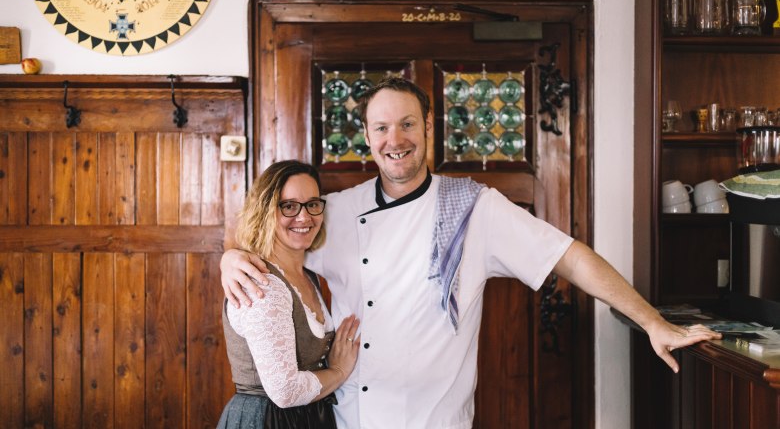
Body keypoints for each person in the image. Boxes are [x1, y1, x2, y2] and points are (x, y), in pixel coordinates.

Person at [220, 78, 721, 428]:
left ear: (428, 127)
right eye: (381, 128)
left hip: (435, 420)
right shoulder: (334, 211)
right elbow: (268, 232)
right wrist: (230, 255)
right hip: (348, 417)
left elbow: (568, 256)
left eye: (408, 125)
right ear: (368, 137)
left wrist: (652, 321)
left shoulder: (474, 208)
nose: (395, 140)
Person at [217, 160, 360, 429]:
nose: (304, 217)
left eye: (313, 204)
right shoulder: (262, 283)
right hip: (265, 421)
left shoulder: (309, 276)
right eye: (289, 206)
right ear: (265, 211)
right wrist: (338, 371)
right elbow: (285, 392)